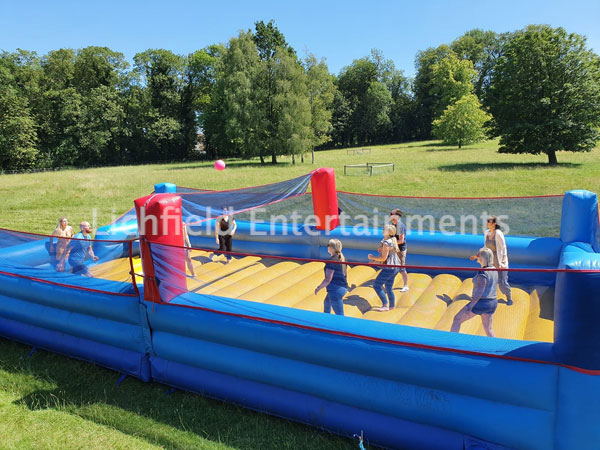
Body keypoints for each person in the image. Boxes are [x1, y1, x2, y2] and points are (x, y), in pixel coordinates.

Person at [452, 247, 498, 337]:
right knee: (488, 328)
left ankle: (451, 342)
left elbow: (480, 291)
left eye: (478, 256)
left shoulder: (482, 273)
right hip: (492, 302)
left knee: (457, 319)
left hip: (482, 302)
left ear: (482, 258)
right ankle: (495, 347)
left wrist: (470, 305)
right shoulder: (494, 269)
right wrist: (477, 257)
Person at [470, 216, 513, 305]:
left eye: (489, 221)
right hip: (490, 262)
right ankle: (477, 296)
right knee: (480, 278)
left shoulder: (498, 233)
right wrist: (477, 255)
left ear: (494, 224)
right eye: (487, 221)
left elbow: (503, 248)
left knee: (502, 282)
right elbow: (485, 247)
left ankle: (509, 298)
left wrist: (503, 262)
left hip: (499, 261)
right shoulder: (487, 233)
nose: (487, 223)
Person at [368, 224, 401, 311]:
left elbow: (383, 258)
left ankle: (385, 305)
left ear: (389, 232)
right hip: (396, 266)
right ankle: (392, 306)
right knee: (389, 287)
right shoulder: (392, 240)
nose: (382, 230)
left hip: (389, 267)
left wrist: (372, 258)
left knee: (376, 285)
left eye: (384, 229)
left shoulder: (387, 242)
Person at [315, 239, 349, 316]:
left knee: (340, 315)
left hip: (335, 290)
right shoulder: (342, 258)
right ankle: (326, 320)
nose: (327, 247)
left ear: (331, 248)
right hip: (342, 287)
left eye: (328, 245)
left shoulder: (332, 261)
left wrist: (318, 288)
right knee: (327, 303)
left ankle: (339, 327)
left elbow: (328, 279)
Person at [389, 208, 409, 292]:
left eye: (391, 213)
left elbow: (401, 240)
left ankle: (406, 285)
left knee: (402, 268)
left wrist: (390, 243)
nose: (389, 215)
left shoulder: (400, 226)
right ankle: (389, 284)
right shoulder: (393, 224)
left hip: (400, 250)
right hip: (395, 248)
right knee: (392, 266)